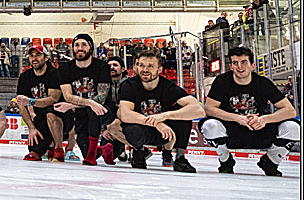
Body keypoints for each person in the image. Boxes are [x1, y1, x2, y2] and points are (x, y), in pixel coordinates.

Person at [200, 47, 301, 177]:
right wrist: (238, 118)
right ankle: (225, 161)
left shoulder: (263, 83)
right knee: (209, 126)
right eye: (235, 63)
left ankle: (270, 162)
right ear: (230, 66)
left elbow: (290, 111)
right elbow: (209, 108)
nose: (240, 67)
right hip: (231, 130)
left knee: (294, 128)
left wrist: (264, 119)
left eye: (244, 62)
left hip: (258, 129)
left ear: (252, 65)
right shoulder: (222, 82)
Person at [118, 50, 204, 172]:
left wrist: (164, 116)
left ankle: (180, 157)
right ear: (136, 67)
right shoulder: (129, 85)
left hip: (165, 134)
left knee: (183, 112)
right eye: (141, 65)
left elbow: (199, 111)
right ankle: (138, 152)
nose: (145, 69)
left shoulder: (168, 86)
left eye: (150, 66)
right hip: (143, 130)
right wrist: (157, 122)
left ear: (159, 70)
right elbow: (125, 115)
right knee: (131, 128)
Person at [58, 34, 112, 165]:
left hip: (103, 110)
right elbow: (67, 96)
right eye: (76, 45)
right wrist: (88, 102)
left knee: (93, 111)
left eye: (84, 45)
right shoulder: (65, 68)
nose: (80, 48)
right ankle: (105, 150)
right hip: (82, 111)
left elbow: (101, 98)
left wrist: (72, 105)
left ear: (91, 48)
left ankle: (93, 154)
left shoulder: (102, 67)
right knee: (84, 148)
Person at [16, 45, 65, 161]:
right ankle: (48, 147)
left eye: (38, 55)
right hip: (40, 117)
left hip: (59, 115)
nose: (34, 58)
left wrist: (31, 101)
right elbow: (21, 103)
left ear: (46, 57)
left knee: (50, 114)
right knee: (34, 146)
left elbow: (53, 99)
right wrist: (31, 128)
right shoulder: (25, 77)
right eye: (31, 56)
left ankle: (58, 148)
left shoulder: (54, 73)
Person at [98, 56, 133, 165]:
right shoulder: (102, 85)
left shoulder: (132, 84)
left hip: (128, 121)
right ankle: (121, 149)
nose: (111, 68)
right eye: (109, 66)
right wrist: (103, 130)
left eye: (115, 65)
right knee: (108, 153)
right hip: (110, 123)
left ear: (123, 69)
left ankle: (137, 149)